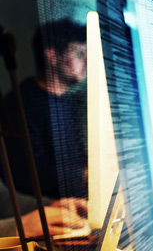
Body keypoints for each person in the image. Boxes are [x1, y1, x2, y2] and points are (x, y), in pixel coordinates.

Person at [1, 19, 88, 199]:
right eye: (79, 54)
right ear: (52, 55)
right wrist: (85, 175)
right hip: (49, 211)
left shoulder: (70, 102)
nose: (86, 63)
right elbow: (28, 175)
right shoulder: (21, 104)